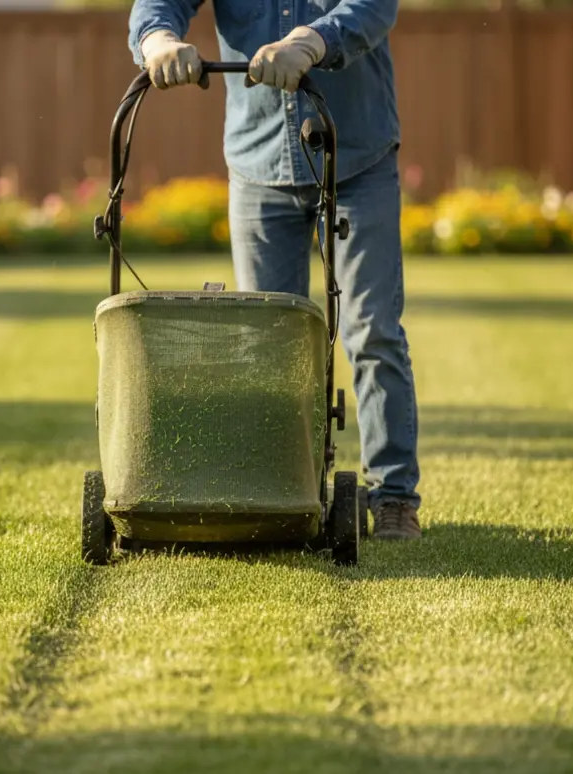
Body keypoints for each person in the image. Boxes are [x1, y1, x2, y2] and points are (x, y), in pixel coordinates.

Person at [127, 0, 422, 540]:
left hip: (356, 158)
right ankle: (285, 496)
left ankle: (395, 499)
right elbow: (158, 4)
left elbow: (374, 7)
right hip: (259, 166)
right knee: (268, 350)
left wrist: (312, 42)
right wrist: (158, 41)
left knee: (372, 330)